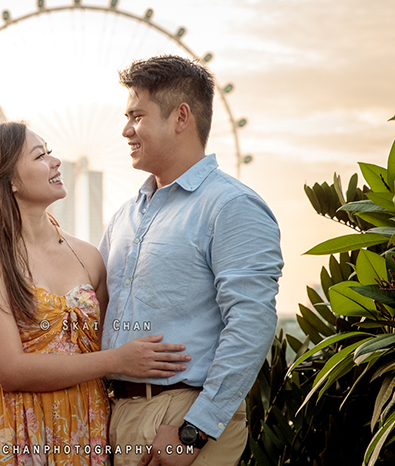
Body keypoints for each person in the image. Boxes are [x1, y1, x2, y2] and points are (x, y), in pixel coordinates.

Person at [0, 121, 191, 466]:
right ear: (11, 181)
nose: (55, 161)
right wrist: (118, 360)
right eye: (40, 156)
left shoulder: (88, 256)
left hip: (86, 419)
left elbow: (110, 336)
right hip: (17, 425)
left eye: (50, 151)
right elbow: (10, 370)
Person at [100, 56, 283, 466]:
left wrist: (192, 432)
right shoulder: (126, 216)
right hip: (117, 417)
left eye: (137, 116)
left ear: (181, 116)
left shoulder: (232, 206)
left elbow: (251, 323)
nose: (126, 130)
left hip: (183, 416)